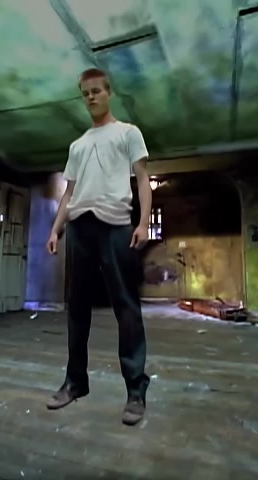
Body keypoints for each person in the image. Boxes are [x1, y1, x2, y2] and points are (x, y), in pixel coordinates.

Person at [45, 67, 152, 426]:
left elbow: (143, 180)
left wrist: (143, 223)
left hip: (115, 225)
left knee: (126, 306)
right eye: (86, 93)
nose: (91, 97)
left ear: (109, 93)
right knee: (77, 308)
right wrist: (55, 230)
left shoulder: (128, 133)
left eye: (96, 91)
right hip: (79, 227)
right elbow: (69, 193)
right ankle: (75, 382)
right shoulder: (77, 145)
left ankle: (136, 389)